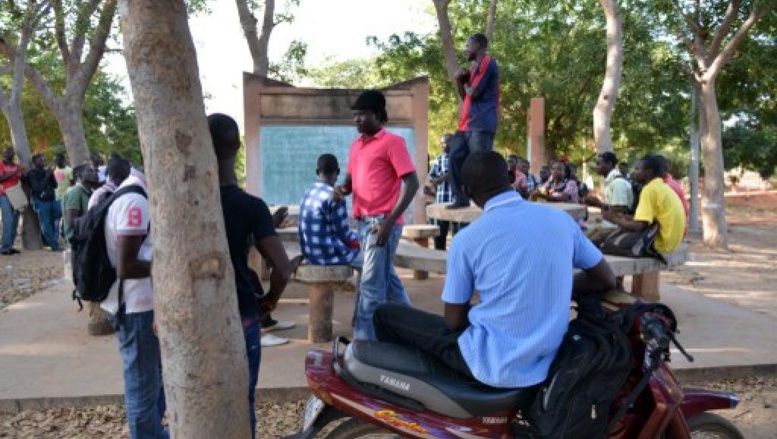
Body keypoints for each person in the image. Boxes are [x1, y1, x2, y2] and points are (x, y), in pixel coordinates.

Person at [374, 151, 616, 388]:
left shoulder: (467, 240)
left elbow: (454, 321)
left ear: (467, 191)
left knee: (385, 314)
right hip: (547, 360)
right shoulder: (562, 221)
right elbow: (606, 278)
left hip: (492, 363)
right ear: (510, 178)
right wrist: (550, 284)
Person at [209, 113, 297, 437]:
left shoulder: (187, 203)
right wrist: (270, 301)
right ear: (238, 148)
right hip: (242, 312)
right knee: (241, 399)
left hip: (198, 317)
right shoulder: (250, 206)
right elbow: (283, 268)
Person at [333, 89, 420, 341]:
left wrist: (388, 223)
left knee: (370, 287)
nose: (357, 119)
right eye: (355, 115)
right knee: (388, 282)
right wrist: (341, 190)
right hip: (362, 223)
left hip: (381, 224)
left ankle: (363, 346)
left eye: (363, 114)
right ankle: (414, 332)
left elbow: (412, 183)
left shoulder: (393, 143)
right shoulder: (356, 145)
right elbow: (349, 183)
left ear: (378, 115)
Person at [100, 170, 167, 438]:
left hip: (141, 304)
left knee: (152, 381)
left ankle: (154, 432)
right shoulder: (135, 200)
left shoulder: (136, 193)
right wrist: (168, 268)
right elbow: (126, 266)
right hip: (135, 307)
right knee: (142, 386)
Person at [448, 33, 500, 209]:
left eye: (467, 45)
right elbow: (465, 96)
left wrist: (464, 81)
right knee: (455, 156)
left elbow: (474, 93)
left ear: (478, 45)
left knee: (480, 162)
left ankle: (487, 201)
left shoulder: (487, 62)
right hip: (466, 124)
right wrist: (459, 80)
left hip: (482, 123)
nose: (465, 49)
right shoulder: (473, 69)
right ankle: (461, 198)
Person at [602, 154, 686, 255]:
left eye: (637, 169)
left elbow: (639, 226)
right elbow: (645, 221)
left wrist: (613, 218)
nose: (633, 172)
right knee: (612, 235)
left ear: (648, 173)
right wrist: (624, 217)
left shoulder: (649, 189)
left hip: (660, 244)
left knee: (604, 244)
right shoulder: (661, 187)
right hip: (672, 243)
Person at [584, 151, 635, 241]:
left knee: (589, 240)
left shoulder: (618, 183)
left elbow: (619, 209)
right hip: (611, 223)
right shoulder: (611, 181)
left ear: (609, 164)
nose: (597, 167)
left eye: (599, 164)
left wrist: (598, 204)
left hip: (619, 226)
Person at [427, 134, 459, 250]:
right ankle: (439, 265)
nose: (442, 145)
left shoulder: (461, 158)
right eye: (441, 143)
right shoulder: (439, 159)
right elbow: (432, 178)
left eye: (445, 142)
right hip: (441, 201)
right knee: (440, 236)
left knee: (458, 235)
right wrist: (438, 180)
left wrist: (445, 177)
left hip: (457, 203)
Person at [26, 154, 62, 251]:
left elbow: (55, 185)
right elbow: (38, 188)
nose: (43, 162)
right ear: (34, 162)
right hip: (40, 201)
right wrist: (47, 176)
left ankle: (48, 239)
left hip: (51, 199)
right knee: (46, 224)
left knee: (61, 211)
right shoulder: (32, 173)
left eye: (44, 160)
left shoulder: (47, 172)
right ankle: (54, 246)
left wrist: (51, 175)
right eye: (41, 160)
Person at [61, 164, 99, 243]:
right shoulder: (75, 191)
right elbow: (72, 221)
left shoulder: (90, 192)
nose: (95, 173)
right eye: (90, 171)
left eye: (95, 171)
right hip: (78, 239)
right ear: (79, 175)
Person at [1, 147, 24, 255]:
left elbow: (22, 178)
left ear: (13, 154)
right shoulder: (1, 165)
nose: (7, 153)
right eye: (5, 152)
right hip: (4, 195)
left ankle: (10, 245)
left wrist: (21, 174)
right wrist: (13, 173)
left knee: (15, 221)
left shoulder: (16, 166)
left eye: (9, 152)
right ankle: (4, 247)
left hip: (16, 194)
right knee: (8, 221)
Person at [53, 153, 73, 237]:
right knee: (56, 218)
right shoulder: (54, 171)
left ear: (63, 160)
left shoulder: (69, 170)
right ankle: (56, 237)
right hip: (56, 197)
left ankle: (65, 234)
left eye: (59, 160)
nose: (57, 162)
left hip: (67, 196)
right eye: (55, 160)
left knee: (66, 217)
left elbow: (72, 183)